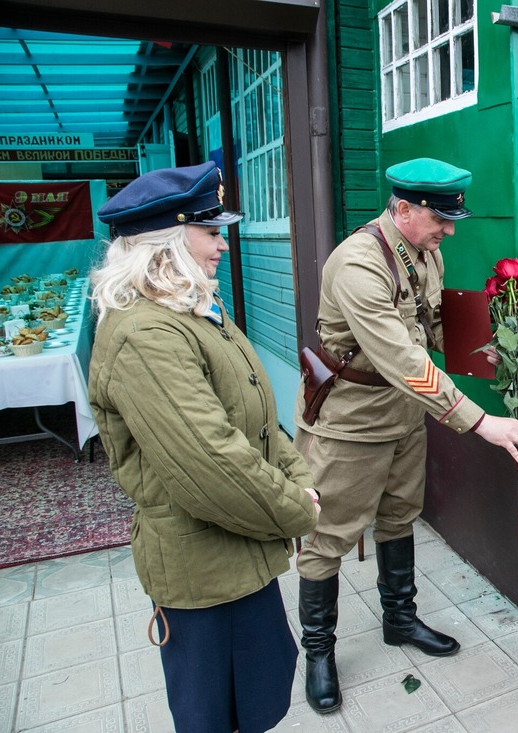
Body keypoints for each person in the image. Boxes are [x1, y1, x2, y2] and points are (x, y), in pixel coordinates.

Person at [293, 157, 518, 713]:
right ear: (402, 209)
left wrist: (492, 349)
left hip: (405, 413)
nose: (448, 232)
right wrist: (478, 420)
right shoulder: (358, 264)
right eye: (440, 220)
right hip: (350, 422)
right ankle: (318, 654)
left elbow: (430, 327)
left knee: (400, 516)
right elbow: (400, 355)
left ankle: (400, 621)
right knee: (328, 536)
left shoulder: (426, 252)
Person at [88, 162, 320, 732]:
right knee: (212, 715)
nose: (222, 246)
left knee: (259, 694)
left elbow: (256, 420)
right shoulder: (146, 335)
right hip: (202, 570)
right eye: (212, 233)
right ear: (167, 243)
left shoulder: (188, 310)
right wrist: (298, 507)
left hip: (235, 557)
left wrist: (297, 476)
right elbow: (213, 460)